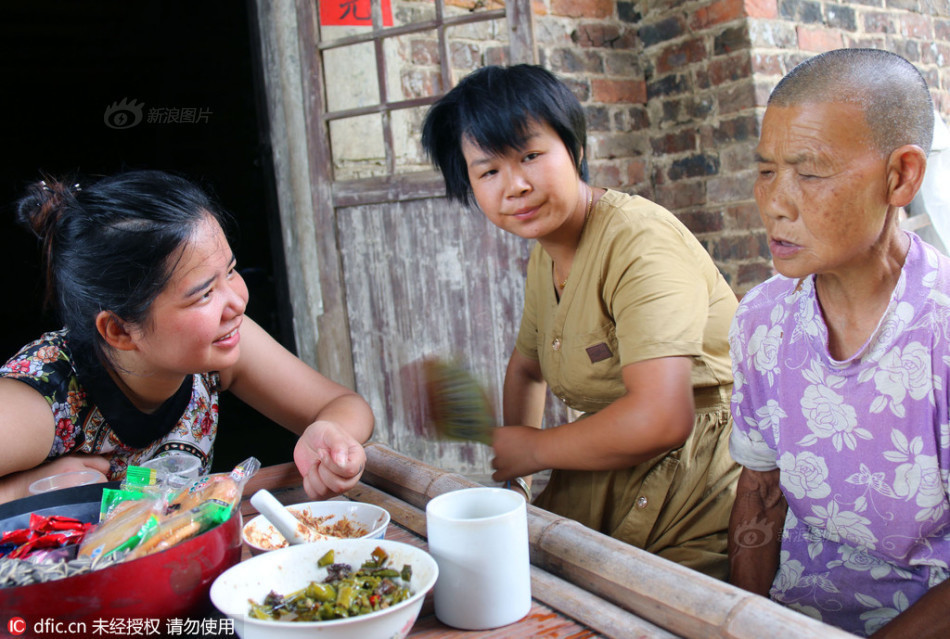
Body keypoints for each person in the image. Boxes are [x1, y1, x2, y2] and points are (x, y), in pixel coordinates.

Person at [421, 64, 740, 579]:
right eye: (488, 171)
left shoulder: (640, 242)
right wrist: (517, 484)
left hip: (697, 489)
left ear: (576, 150)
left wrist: (532, 449)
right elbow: (526, 368)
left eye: (530, 156)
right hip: (602, 475)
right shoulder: (546, 255)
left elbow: (663, 417)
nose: (516, 186)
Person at [727, 48, 949, 637]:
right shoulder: (762, 321)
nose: (774, 201)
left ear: (900, 176)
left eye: (811, 171)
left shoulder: (941, 332)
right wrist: (744, 624)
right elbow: (761, 490)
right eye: (767, 169)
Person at [0, 170, 374, 504]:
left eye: (230, 271)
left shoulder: (223, 339)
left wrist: (330, 433)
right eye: (204, 294)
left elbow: (343, 402)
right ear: (119, 330)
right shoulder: (41, 399)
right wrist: (22, 491)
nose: (237, 302)